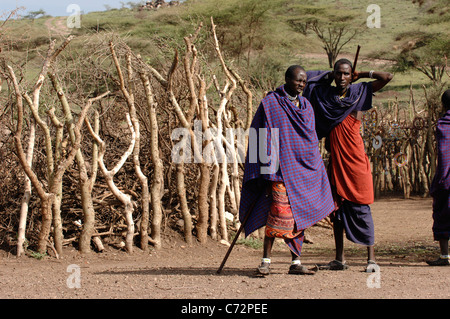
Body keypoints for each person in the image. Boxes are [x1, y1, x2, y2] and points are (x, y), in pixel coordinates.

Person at [238, 65, 334, 275]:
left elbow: (309, 139)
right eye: (298, 80)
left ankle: (295, 263)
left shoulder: (306, 106)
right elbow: (260, 134)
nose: (301, 85)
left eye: (304, 82)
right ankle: (265, 261)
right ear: (287, 79)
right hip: (280, 171)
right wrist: (264, 167)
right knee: (277, 214)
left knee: (300, 216)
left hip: (302, 171)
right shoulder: (271, 103)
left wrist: (314, 166)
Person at [303, 59, 393, 272]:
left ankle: (371, 260)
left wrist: (361, 73)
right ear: (334, 74)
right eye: (338, 74)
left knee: (362, 208)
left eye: (346, 74)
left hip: (355, 161)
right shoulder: (326, 95)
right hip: (336, 162)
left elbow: (387, 77)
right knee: (337, 210)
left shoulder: (360, 92)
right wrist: (327, 74)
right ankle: (339, 259)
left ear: (351, 74)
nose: (342, 78)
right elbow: (307, 81)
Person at [426, 89, 450, 266]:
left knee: (443, 213)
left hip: (447, 178)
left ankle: (444, 256)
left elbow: (443, 153)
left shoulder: (444, 124)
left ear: (443, 105)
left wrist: (441, 179)